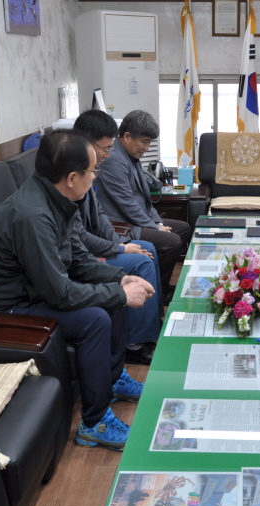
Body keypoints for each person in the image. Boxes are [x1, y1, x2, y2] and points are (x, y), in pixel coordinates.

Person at [0, 130, 155, 451]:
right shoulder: (32, 216)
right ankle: (94, 424)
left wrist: (119, 280)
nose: (96, 177)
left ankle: (111, 380)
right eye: (94, 171)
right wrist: (120, 294)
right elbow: (60, 294)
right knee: (95, 319)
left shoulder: (55, 199)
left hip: (29, 294)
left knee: (111, 297)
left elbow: (77, 259)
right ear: (72, 177)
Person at [72, 110, 163, 365]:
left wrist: (122, 244)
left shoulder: (89, 168)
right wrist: (120, 250)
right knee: (142, 261)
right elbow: (79, 237)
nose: (109, 154)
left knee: (146, 248)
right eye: (105, 148)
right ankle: (135, 343)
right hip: (82, 259)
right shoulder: (72, 176)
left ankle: (152, 327)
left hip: (93, 248)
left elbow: (99, 216)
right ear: (87, 144)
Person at [95, 110, 192, 297]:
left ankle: (160, 286)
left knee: (183, 229)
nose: (147, 147)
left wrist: (158, 223)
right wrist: (154, 227)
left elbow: (145, 201)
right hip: (121, 224)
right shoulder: (114, 159)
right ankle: (156, 291)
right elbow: (126, 203)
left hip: (135, 219)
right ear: (127, 136)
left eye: (149, 142)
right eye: (144, 141)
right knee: (171, 241)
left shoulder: (131, 156)